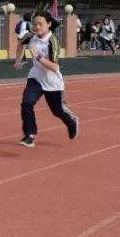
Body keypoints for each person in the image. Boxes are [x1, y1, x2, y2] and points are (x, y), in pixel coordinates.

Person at [13, 11, 79, 147]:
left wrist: (38, 57)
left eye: (40, 24)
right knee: (26, 103)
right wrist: (18, 60)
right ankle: (29, 135)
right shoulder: (30, 36)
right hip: (36, 78)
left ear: (48, 24)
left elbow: (54, 67)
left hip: (52, 81)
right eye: (35, 24)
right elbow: (20, 43)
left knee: (57, 111)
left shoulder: (52, 41)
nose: (37, 27)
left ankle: (71, 121)